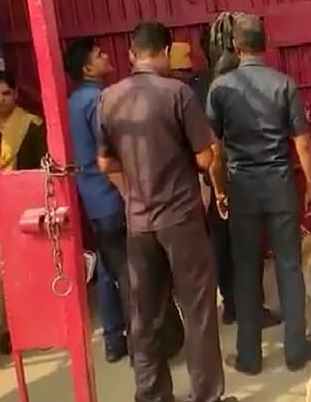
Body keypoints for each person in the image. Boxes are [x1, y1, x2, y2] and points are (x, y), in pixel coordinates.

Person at [96, 22, 234, 402]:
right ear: (166, 51)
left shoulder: (108, 98)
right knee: (198, 311)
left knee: (145, 316)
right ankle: (206, 395)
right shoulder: (178, 93)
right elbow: (205, 157)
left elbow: (105, 163)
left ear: (131, 54)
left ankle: (153, 394)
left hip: (139, 223)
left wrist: (130, 193)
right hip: (181, 218)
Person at [206, 14, 311, 375]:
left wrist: (219, 189)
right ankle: (296, 349)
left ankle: (249, 356)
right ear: (265, 44)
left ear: (236, 47)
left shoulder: (220, 89)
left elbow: (214, 150)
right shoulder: (284, 84)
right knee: (289, 264)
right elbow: (302, 142)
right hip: (280, 184)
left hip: (242, 188)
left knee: (245, 268)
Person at [64, 37, 185, 365]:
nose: (106, 56)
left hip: (94, 199)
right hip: (114, 197)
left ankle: (114, 339)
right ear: (88, 68)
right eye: (98, 55)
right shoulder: (99, 100)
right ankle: (146, 348)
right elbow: (114, 151)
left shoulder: (74, 101)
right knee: (136, 277)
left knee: (110, 271)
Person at [184, 33, 281, 328]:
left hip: (209, 177)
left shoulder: (196, 87)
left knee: (222, 244)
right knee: (247, 247)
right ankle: (253, 308)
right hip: (237, 173)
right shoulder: (238, 83)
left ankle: (230, 305)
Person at [0, 70, 47, 355]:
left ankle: (36, 325)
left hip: (26, 210)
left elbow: (41, 172)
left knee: (31, 270)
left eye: (6, 93)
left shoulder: (33, 126)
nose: (1, 99)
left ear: (15, 94)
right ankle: (7, 328)